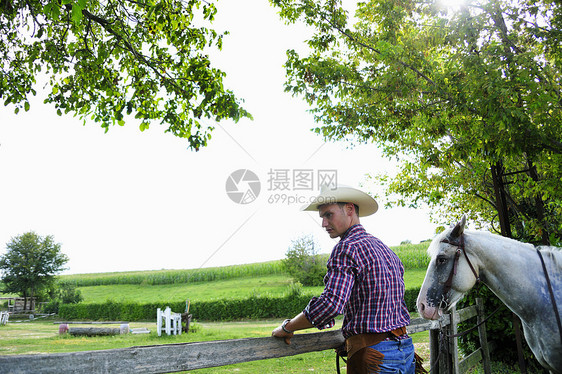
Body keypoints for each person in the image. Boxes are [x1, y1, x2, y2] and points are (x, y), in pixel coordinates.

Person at [272, 186, 422, 374]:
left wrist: (288, 327)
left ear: (350, 209)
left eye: (329, 215)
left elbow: (330, 305)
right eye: (322, 218)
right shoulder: (384, 249)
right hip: (405, 349)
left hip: (376, 357)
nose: (324, 223)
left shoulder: (346, 248)